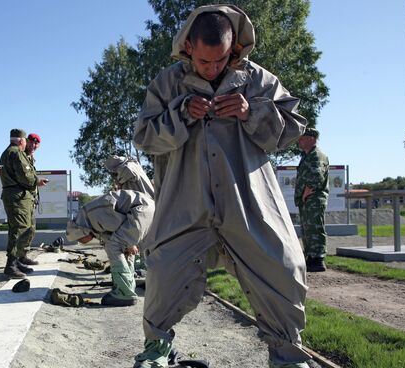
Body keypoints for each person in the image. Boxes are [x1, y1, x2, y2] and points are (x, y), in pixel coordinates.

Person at [132, 5, 311, 368]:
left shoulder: (258, 80)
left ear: (234, 49)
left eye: (220, 61)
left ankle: (288, 356)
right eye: (203, 62)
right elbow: (144, 137)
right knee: (163, 272)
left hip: (248, 202)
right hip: (186, 204)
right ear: (188, 49)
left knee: (284, 267)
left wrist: (251, 112)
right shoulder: (167, 84)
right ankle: (156, 351)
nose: (211, 69)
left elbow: (293, 129)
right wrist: (180, 114)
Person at [65, 190, 154, 306]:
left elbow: (118, 224)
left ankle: (124, 293)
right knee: (119, 246)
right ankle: (126, 286)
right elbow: (112, 234)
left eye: (80, 239)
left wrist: (130, 243)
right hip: (142, 210)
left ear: (80, 232)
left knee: (114, 245)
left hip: (141, 210)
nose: (82, 242)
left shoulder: (92, 216)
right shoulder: (88, 220)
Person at [0, 129, 48, 278]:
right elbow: (25, 177)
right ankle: (11, 265)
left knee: (24, 228)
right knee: (18, 229)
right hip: (17, 196)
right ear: (21, 140)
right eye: (27, 140)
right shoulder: (16, 153)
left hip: (18, 195)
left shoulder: (10, 152)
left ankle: (17, 261)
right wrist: (36, 181)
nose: (29, 144)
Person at [295, 127, 329, 272]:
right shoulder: (307, 155)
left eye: (302, 137)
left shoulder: (317, 155)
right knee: (307, 230)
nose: (299, 140)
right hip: (307, 200)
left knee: (315, 228)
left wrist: (307, 191)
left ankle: (318, 259)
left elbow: (317, 176)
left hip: (314, 199)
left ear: (312, 139)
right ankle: (310, 257)